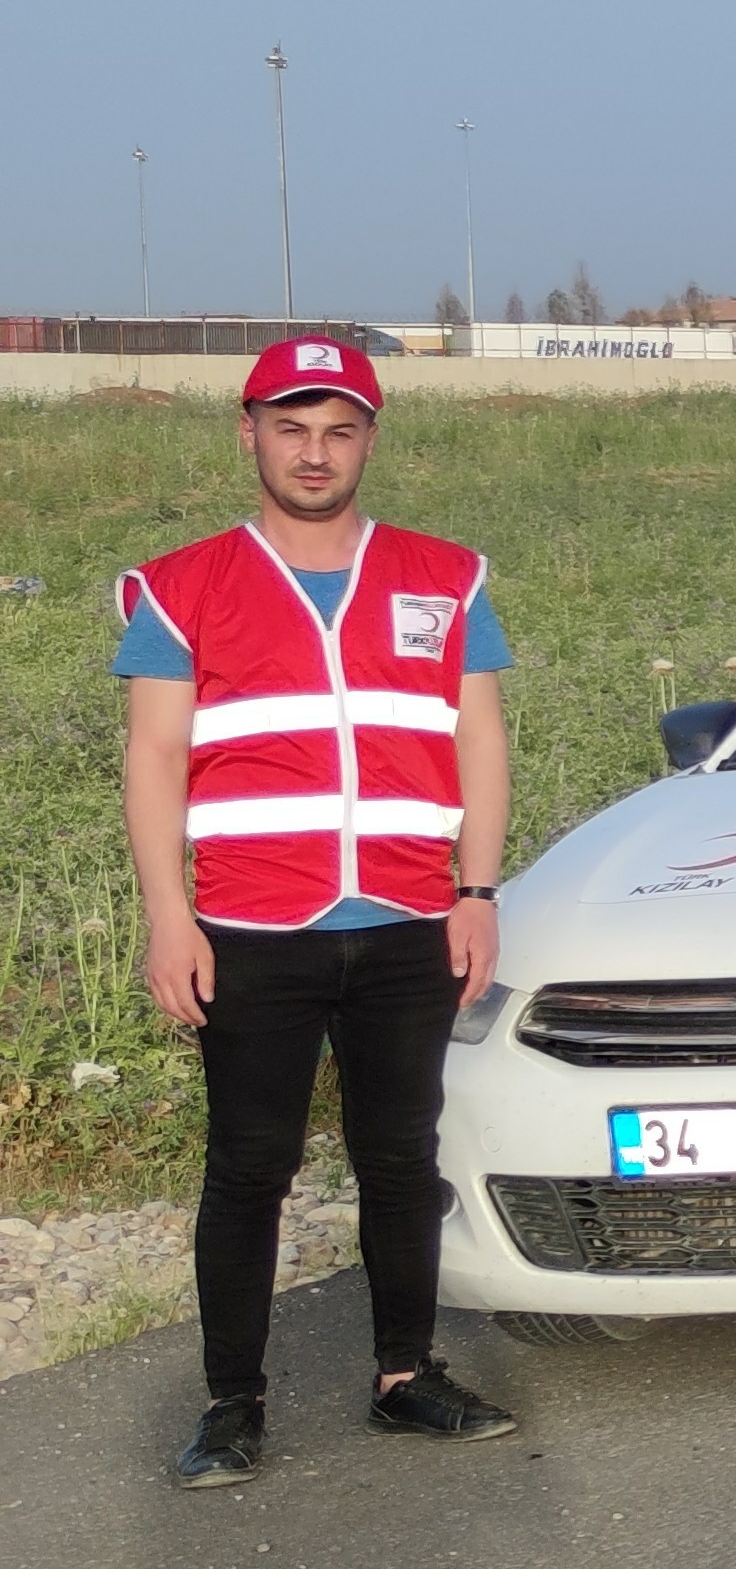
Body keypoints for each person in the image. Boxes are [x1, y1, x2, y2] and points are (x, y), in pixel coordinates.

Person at [114, 338, 522, 1484]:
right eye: (291, 427)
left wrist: (477, 891)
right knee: (251, 1165)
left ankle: (406, 1376)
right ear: (248, 433)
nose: (315, 451)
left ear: (369, 442)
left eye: (339, 429)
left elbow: (478, 736)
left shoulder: (446, 577)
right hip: (251, 927)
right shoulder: (181, 584)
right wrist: (169, 918)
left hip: (405, 918)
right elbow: (154, 755)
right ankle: (233, 1404)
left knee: (401, 1154)